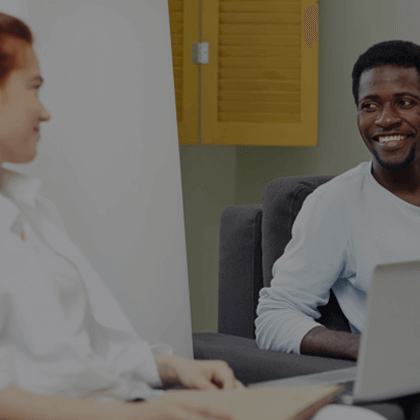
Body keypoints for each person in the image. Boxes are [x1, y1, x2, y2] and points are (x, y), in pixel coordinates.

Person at [0, 11, 243, 420]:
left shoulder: (32, 206)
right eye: (34, 88)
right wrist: (143, 415)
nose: (45, 112)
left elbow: (81, 353)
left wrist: (171, 367)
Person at [255, 40, 420, 361]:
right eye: (370, 105)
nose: (385, 119)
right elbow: (274, 319)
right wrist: (370, 349)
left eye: (404, 102)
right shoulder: (336, 204)